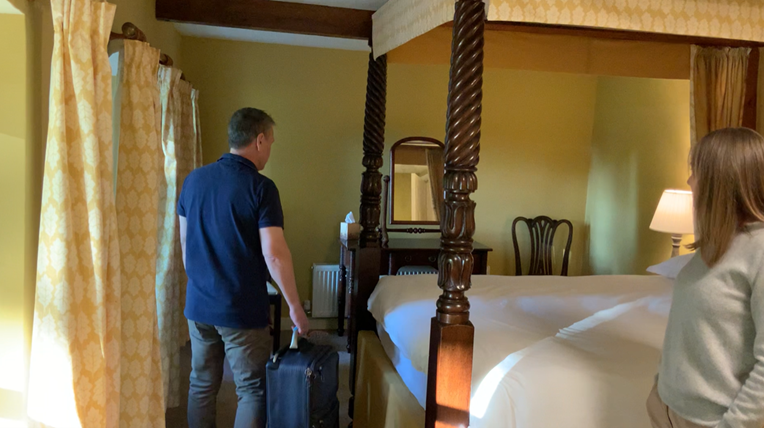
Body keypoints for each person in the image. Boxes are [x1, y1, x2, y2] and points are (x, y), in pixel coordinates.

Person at [178, 107, 310, 428]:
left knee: (201, 383)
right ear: (259, 140)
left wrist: (201, 285)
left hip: (198, 304)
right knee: (251, 390)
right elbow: (275, 256)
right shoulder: (261, 188)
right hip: (240, 309)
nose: (270, 151)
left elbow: (186, 247)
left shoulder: (194, 180)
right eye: (271, 142)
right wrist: (295, 307)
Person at [648, 127, 764, 428]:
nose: (689, 181)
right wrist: (661, 389)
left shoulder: (760, 251)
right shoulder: (716, 241)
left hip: (711, 421)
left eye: (696, 171)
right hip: (668, 408)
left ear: (720, 181)